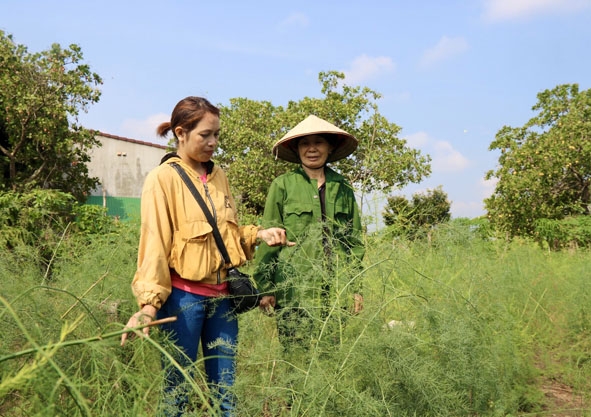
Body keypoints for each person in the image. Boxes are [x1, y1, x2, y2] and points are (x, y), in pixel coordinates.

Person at [120, 96, 292, 417]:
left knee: (226, 391)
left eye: (216, 135)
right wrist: (148, 305)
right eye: (205, 135)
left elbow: (226, 236)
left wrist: (259, 234)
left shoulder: (218, 176)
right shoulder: (163, 179)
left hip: (223, 299)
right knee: (177, 389)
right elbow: (154, 243)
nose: (213, 142)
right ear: (181, 133)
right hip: (183, 301)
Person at [253, 115, 365, 352]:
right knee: (295, 357)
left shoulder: (343, 187)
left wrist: (355, 288)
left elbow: (353, 242)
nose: (312, 149)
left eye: (319, 142)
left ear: (330, 147)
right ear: (296, 149)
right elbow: (269, 239)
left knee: (332, 355)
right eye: (305, 143)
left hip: (335, 290)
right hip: (294, 289)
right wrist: (267, 288)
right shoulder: (282, 185)